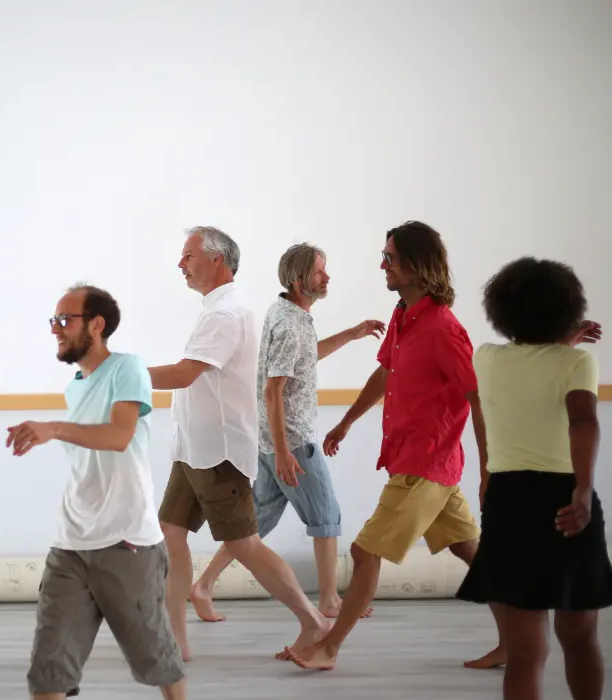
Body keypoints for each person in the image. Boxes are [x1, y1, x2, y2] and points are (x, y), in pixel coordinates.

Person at [288, 220, 492, 671]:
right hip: (417, 463)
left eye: (391, 258)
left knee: (364, 553)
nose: (383, 265)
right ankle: (521, 636)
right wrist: (344, 424)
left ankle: (328, 648)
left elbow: (477, 396)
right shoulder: (404, 316)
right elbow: (385, 374)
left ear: (418, 265)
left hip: (427, 465)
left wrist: (488, 472)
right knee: (470, 551)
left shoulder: (443, 327)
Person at [149, 226, 331, 662]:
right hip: (194, 449)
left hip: (219, 453)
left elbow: (185, 373)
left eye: (188, 255)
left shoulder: (226, 313)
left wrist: (116, 374)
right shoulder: (218, 308)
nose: (180, 264)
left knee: (245, 545)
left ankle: (314, 621)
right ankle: (174, 639)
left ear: (217, 260)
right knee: (171, 534)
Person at [189, 243, 384, 626]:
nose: (326, 278)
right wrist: (283, 452)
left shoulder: (285, 312)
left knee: (255, 522)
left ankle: (204, 585)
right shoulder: (292, 324)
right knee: (326, 517)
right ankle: (329, 600)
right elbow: (272, 390)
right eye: (318, 272)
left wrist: (351, 333)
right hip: (293, 443)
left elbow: (303, 357)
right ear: (299, 281)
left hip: (271, 441)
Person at [6, 284, 186, 699]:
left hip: (127, 544)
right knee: (48, 671)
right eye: (53, 320)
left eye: (64, 319)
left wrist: (52, 428)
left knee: (156, 658)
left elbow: (119, 435)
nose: (55, 328)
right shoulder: (75, 386)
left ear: (97, 324)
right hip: (70, 544)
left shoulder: (128, 368)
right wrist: (50, 430)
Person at [455, 257, 610, 700]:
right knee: (580, 640)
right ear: (568, 311)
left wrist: (564, 337)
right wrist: (582, 489)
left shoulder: (485, 358)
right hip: (565, 498)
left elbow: (533, 359)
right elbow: (583, 421)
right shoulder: (577, 363)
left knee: (526, 654)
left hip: (509, 502)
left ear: (500, 309)